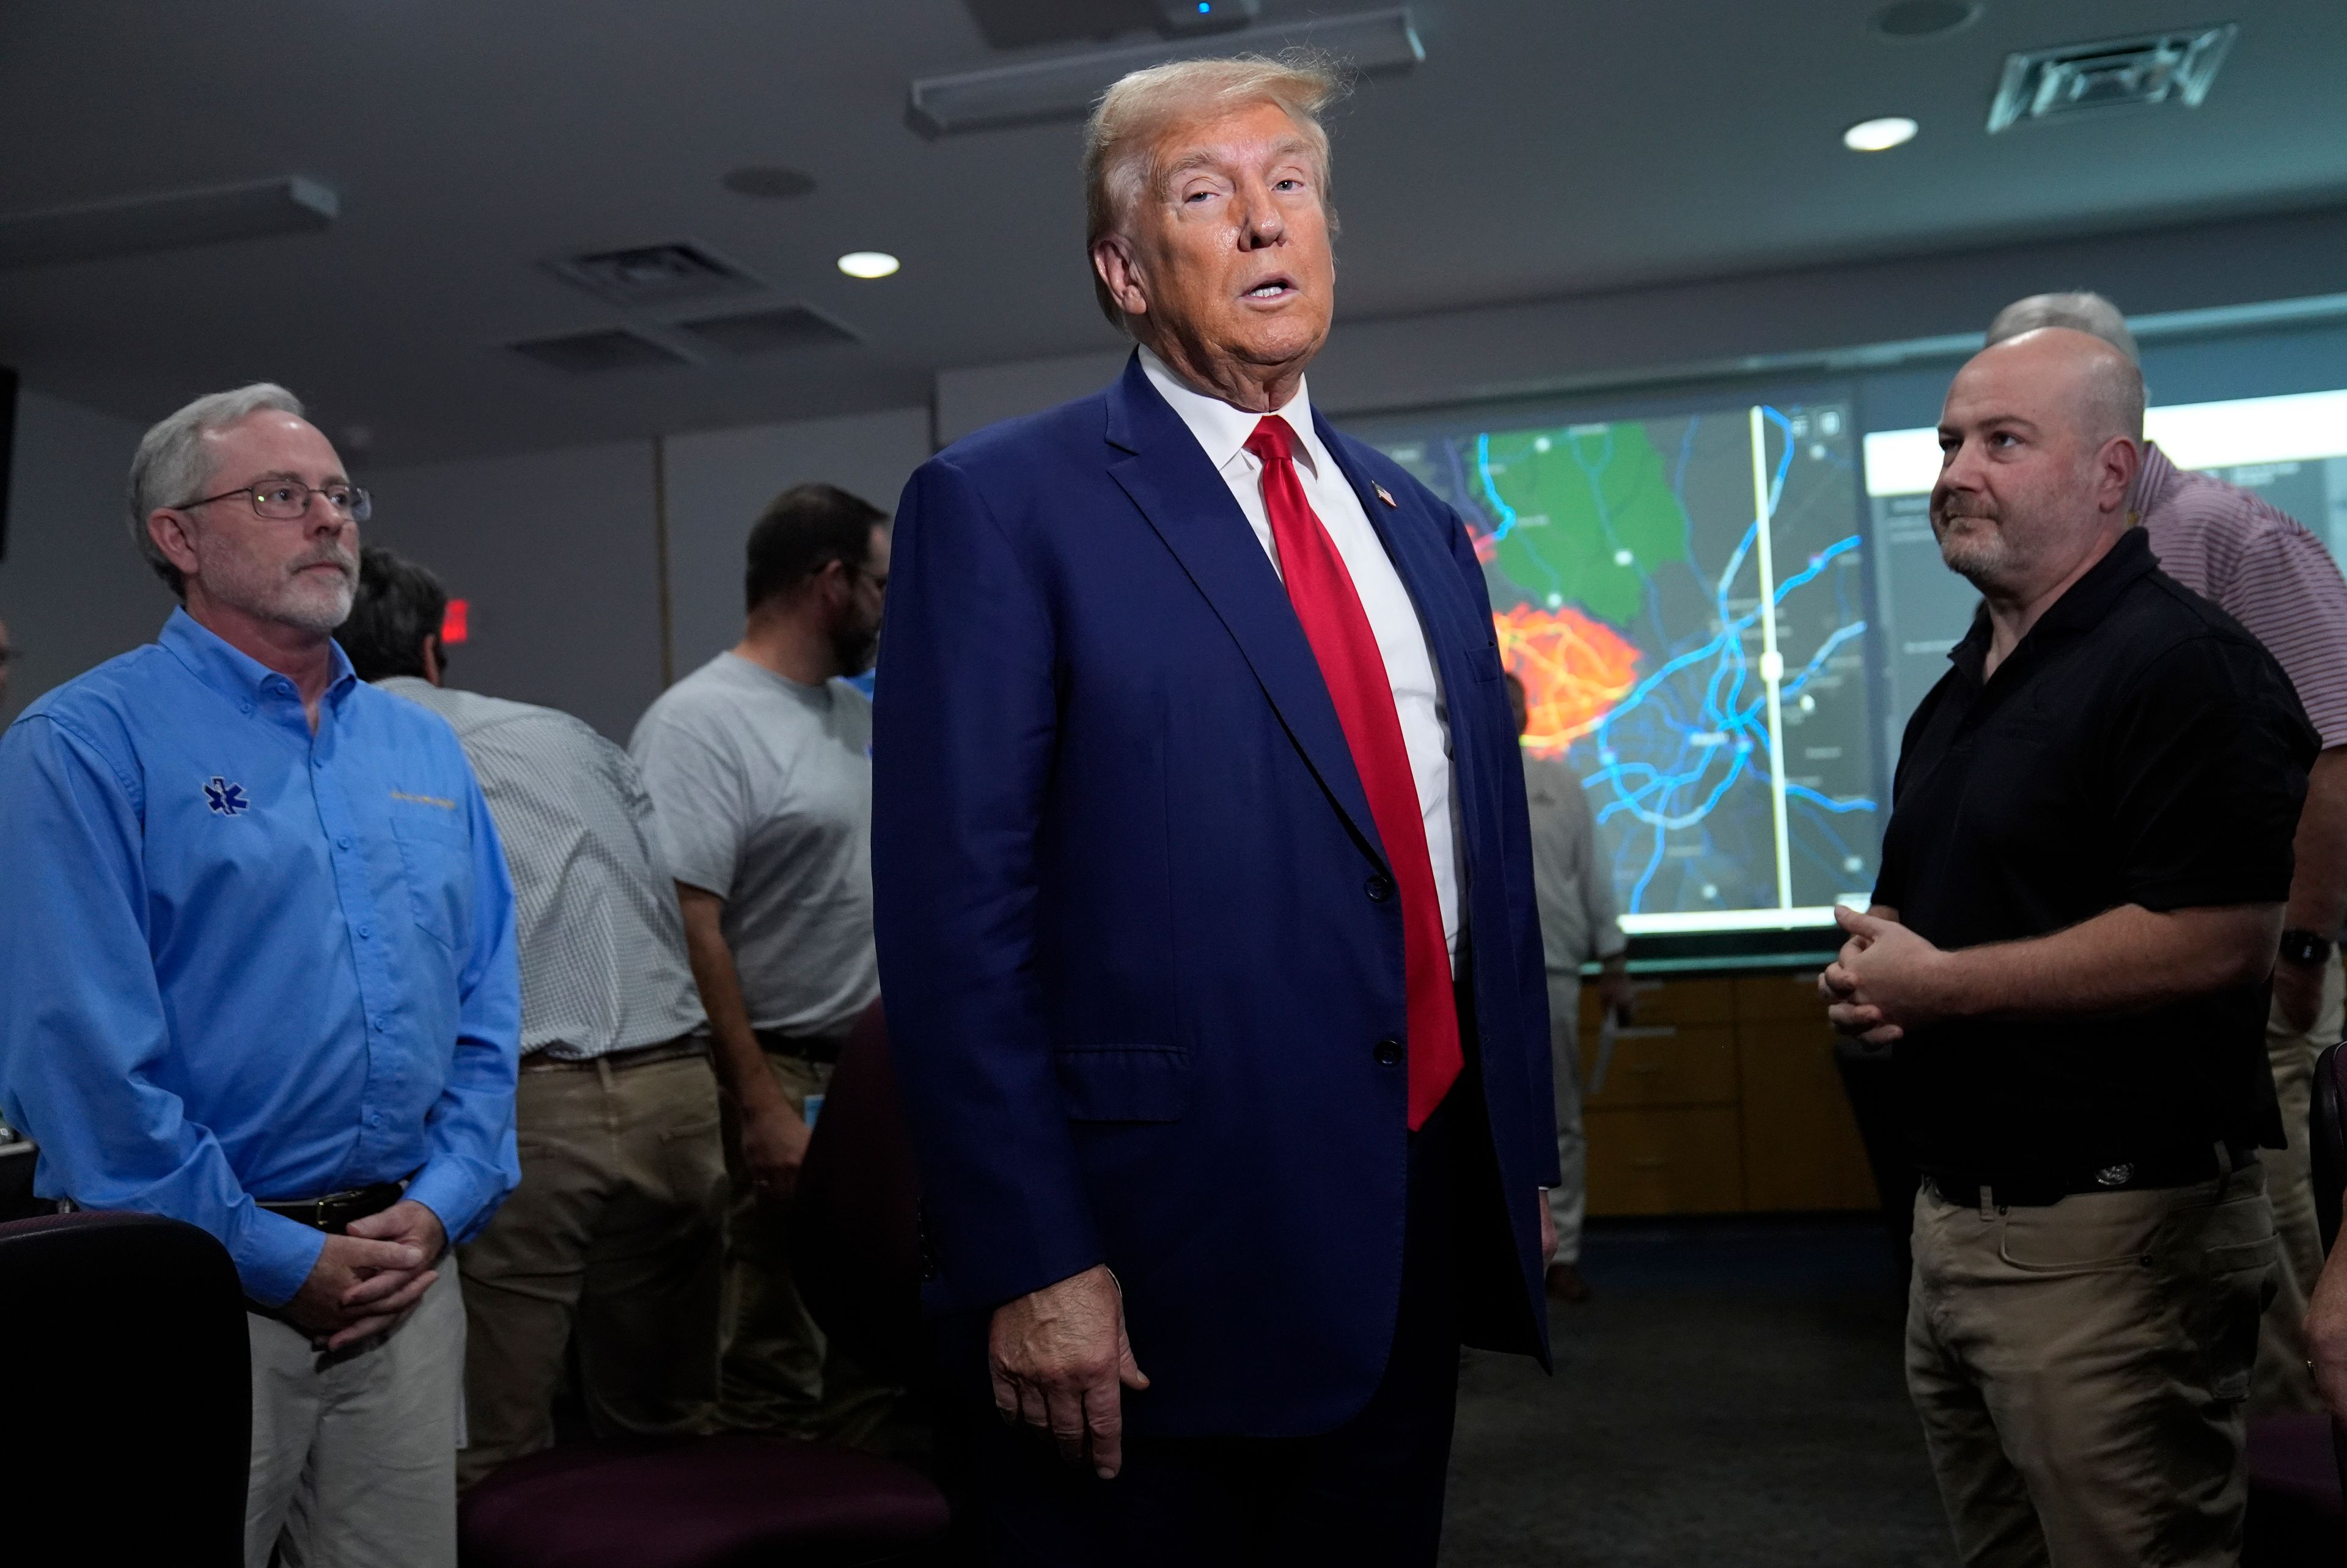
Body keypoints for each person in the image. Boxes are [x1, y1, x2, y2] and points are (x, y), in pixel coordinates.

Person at [871, 57, 1558, 1564]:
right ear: (1123, 270)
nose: (1262, 223)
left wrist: (1521, 1152)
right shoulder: (1000, 507)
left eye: (1290, 186)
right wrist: (1032, 1254)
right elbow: (951, 926)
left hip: (1404, 1229)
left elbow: (1470, 875)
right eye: (1205, 195)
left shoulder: (1419, 526)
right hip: (1147, 1273)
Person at [0, 384, 521, 1567]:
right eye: (281, 496)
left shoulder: (419, 745)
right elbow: (82, 1067)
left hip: (408, 1282)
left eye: (340, 495)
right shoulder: (83, 746)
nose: (328, 520)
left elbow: (488, 1008)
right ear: (176, 537)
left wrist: (443, 1205)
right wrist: (284, 1263)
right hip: (196, 1293)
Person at [1820, 328, 2312, 1565]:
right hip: (1960, 1236)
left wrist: (1940, 985)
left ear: (2111, 474)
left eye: (2002, 440)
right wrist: (1879, 978)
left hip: (2110, 1248)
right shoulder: (1965, 686)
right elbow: (1966, 913)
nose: (1955, 472)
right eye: (1946, 443)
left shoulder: (2184, 665)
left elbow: (2219, 938)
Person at [1988, 290, 2347, 1416]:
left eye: (2016, 425)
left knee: (2282, 1285)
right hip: (2130, 1011)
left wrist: (2297, 951)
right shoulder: (2053, 574)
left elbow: (2337, 759)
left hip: (2254, 986)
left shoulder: (2237, 540)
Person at [340, 545, 727, 1488]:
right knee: (668, 1426)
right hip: (677, 1090)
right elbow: (665, 894)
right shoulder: (565, 732)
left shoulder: (347, 755)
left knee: (493, 1443)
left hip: (522, 1110)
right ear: (437, 648)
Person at [629, 481, 894, 1442]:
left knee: (878, 1342)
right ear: (829, 583)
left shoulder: (854, 715)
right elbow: (687, 924)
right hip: (773, 1065)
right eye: (879, 582)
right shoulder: (701, 722)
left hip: (867, 1070)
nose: (886, 605)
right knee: (772, 1347)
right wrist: (760, 1104)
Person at [1506, 670, 1633, 1305]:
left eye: (1518, 701)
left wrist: (1613, 961)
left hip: (1553, 972)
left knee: (1559, 1120)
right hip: (1469, 980)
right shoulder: (1446, 780)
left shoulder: (1561, 785)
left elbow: (1595, 876)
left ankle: (1565, 1255)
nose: (1511, 711)